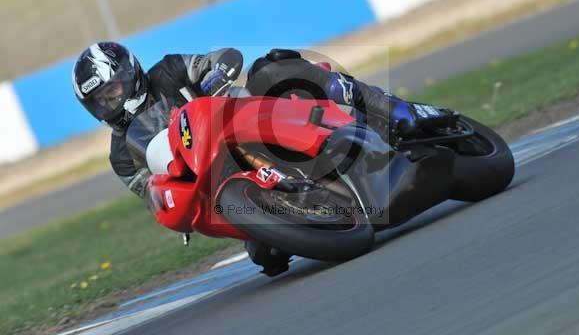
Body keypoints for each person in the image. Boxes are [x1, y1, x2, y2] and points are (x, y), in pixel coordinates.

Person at [72, 42, 412, 275]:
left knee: (272, 67)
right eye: (101, 100)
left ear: (129, 74)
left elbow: (224, 57)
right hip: (215, 185)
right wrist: (162, 198)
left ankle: (390, 109)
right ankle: (307, 209)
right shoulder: (121, 154)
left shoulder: (170, 70)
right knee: (267, 258)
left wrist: (215, 75)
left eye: (112, 90)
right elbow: (150, 190)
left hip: (246, 122)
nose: (110, 103)